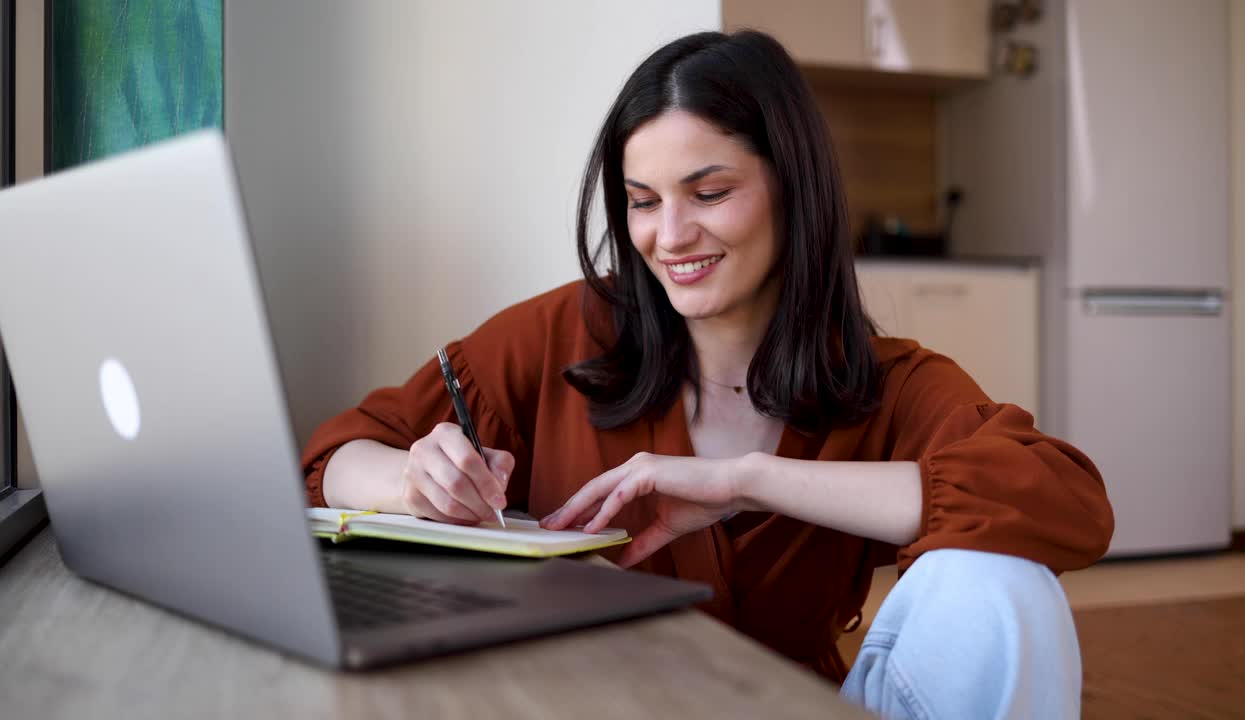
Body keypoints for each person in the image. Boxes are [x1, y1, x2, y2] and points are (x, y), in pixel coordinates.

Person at [300, 30, 1114, 719]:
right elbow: (329, 461)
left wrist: (752, 480)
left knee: (1002, 581)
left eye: (710, 191)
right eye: (642, 201)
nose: (671, 235)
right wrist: (414, 482)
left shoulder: (885, 383)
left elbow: (1064, 502)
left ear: (792, 189)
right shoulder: (563, 334)